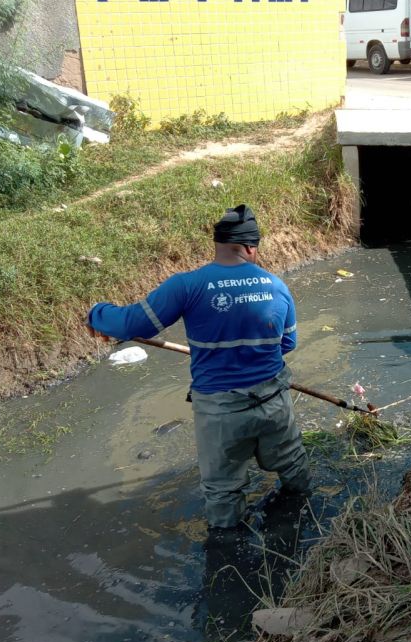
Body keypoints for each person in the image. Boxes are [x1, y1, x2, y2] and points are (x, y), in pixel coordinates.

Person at [87, 204, 312, 528]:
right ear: (251, 246)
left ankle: (228, 562)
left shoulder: (187, 286)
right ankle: (306, 526)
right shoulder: (276, 286)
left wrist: (97, 313)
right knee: (293, 468)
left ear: (219, 244)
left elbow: (130, 324)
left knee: (223, 493)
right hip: (274, 403)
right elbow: (287, 344)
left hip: (221, 412)